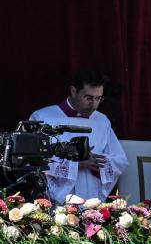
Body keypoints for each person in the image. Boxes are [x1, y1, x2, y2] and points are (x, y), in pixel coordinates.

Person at [30, 68, 128, 203]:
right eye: (88, 98)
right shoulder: (43, 117)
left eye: (98, 98)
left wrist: (99, 163)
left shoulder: (102, 121)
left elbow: (120, 160)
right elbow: (32, 160)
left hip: (91, 198)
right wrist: (76, 164)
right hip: (55, 200)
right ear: (74, 91)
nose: (93, 105)